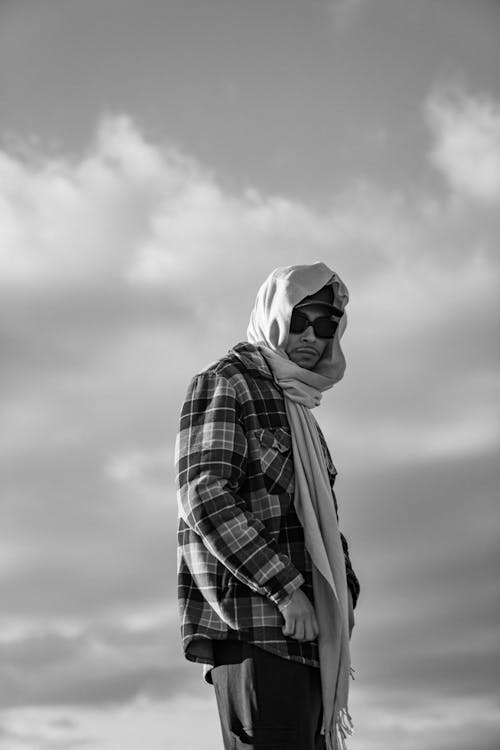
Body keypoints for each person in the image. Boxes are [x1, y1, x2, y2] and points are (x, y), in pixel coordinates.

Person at [175, 262, 360, 750]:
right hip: (258, 629)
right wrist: (286, 590)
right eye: (300, 318)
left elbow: (317, 522)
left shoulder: (298, 404)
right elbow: (205, 495)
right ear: (274, 313)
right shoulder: (227, 383)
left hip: (312, 642)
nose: (312, 336)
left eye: (326, 325)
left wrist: (345, 598)